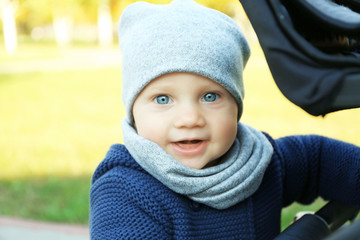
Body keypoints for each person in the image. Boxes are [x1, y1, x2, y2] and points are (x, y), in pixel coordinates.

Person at [89, 0, 360, 239]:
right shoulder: (124, 193)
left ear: (236, 105)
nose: (189, 118)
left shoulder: (259, 162)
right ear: (133, 110)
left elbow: (319, 160)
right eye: (163, 99)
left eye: (210, 96)